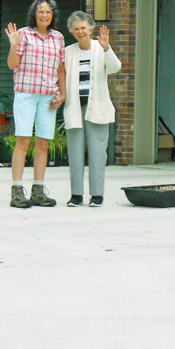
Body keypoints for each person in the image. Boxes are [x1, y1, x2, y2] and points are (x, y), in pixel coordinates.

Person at [5, 0, 66, 209]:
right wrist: (14, 46)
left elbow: (60, 69)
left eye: (48, 12)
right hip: (26, 94)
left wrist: (63, 94)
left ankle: (38, 190)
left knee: (43, 143)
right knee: (23, 142)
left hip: (48, 96)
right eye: (41, 11)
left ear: (53, 15)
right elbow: (13, 64)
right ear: (34, 13)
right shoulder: (23, 34)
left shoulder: (58, 38)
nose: (44, 15)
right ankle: (17, 191)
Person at [62, 11, 121, 207]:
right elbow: (61, 76)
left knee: (98, 153)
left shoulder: (100, 47)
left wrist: (107, 49)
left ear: (91, 29)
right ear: (72, 31)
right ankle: (76, 195)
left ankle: (97, 194)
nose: (80, 32)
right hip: (75, 107)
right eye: (76, 29)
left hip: (97, 107)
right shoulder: (68, 52)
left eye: (83, 28)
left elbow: (115, 68)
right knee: (75, 152)